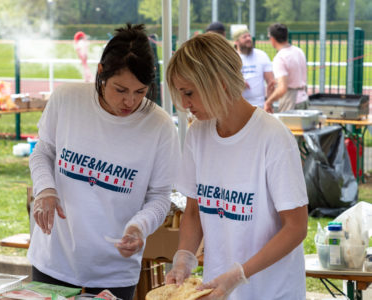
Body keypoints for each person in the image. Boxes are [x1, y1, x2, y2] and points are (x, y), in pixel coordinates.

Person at [28, 23, 180, 300]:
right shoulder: (67, 99)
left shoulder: (160, 126)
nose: (130, 101)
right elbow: (43, 151)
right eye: (120, 89)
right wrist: (45, 189)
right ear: (101, 73)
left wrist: (140, 226)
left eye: (140, 91)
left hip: (114, 269)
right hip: (54, 257)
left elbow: (159, 197)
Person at [165, 32, 308, 299]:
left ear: (218, 83)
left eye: (189, 93)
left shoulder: (273, 137)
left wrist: (240, 274)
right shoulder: (198, 135)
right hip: (216, 290)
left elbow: (296, 227)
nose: (185, 104)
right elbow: (193, 212)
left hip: (270, 292)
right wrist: (184, 256)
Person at [265, 23, 309, 113]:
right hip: (304, 98)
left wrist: (268, 102)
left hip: (291, 101)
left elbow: (282, 88)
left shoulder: (280, 57)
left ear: (273, 39)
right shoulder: (299, 51)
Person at [232, 28, 275, 109]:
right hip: (238, 106)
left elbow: (270, 81)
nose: (248, 39)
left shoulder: (261, 55)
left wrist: (269, 102)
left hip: (259, 106)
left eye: (249, 36)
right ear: (236, 42)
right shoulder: (232, 58)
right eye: (244, 37)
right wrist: (238, 81)